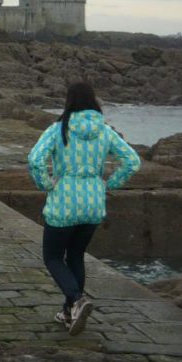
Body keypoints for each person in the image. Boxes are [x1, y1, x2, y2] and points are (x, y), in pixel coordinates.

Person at [28, 81, 140, 335]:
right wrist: (109, 183)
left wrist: (47, 184)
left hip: (64, 204)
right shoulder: (106, 131)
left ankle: (77, 299)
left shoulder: (59, 129)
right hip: (93, 205)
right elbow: (132, 161)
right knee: (76, 256)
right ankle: (69, 312)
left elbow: (35, 160)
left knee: (53, 257)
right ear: (93, 102)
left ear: (69, 102)